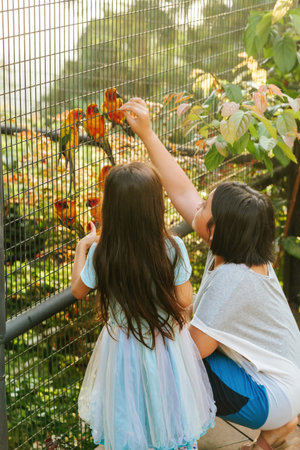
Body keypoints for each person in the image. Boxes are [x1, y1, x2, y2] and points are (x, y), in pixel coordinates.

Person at [120, 98, 300, 450]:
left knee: (173, 361)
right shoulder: (241, 249)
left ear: (215, 230)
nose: (196, 206)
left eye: (205, 207)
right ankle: (276, 431)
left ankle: (173, 440)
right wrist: (147, 133)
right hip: (287, 382)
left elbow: (189, 351)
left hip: (273, 395)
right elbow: (183, 191)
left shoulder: (232, 280)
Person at [71, 162, 216, 450]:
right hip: (166, 347)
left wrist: (82, 248)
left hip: (122, 351)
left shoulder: (103, 253)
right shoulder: (173, 248)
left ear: (111, 207)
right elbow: (185, 301)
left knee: (129, 414)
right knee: (168, 412)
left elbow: (78, 290)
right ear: (156, 206)